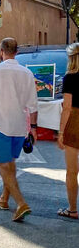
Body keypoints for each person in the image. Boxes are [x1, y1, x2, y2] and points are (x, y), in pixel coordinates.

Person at [0, 36, 38, 222]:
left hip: (2, 121)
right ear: (17, 52)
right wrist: (34, 128)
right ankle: (4, 199)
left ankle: (21, 202)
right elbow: (33, 105)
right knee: (10, 163)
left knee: (2, 164)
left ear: (1, 51)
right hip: (20, 124)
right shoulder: (26, 73)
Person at [56, 42, 79, 220]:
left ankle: (72, 209)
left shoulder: (70, 78)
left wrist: (61, 133)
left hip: (75, 124)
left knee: (72, 171)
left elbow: (67, 108)